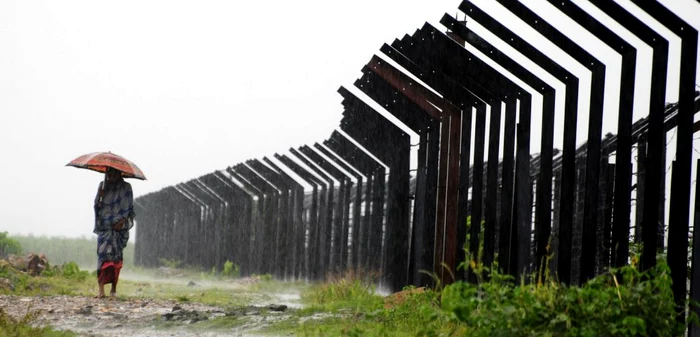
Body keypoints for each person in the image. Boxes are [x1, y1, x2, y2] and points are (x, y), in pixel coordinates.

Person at [93, 167, 135, 299]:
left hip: (118, 229)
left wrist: (123, 220)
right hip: (105, 228)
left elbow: (129, 207)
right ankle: (101, 290)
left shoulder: (126, 188)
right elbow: (97, 206)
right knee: (103, 258)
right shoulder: (103, 185)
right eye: (108, 174)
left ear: (119, 173)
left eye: (113, 173)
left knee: (115, 261)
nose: (110, 176)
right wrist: (100, 195)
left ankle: (113, 289)